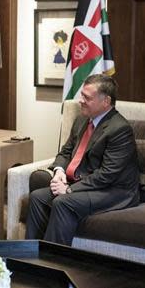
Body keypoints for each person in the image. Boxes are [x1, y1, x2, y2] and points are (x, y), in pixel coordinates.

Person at [25, 74, 140, 246]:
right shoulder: (82, 120)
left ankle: (52, 262)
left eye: (87, 97)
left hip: (115, 190)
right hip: (86, 184)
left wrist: (70, 190)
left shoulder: (119, 129)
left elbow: (107, 175)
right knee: (37, 197)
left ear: (106, 101)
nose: (81, 100)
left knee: (63, 202)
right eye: (82, 95)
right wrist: (59, 172)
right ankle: (28, 256)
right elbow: (66, 152)